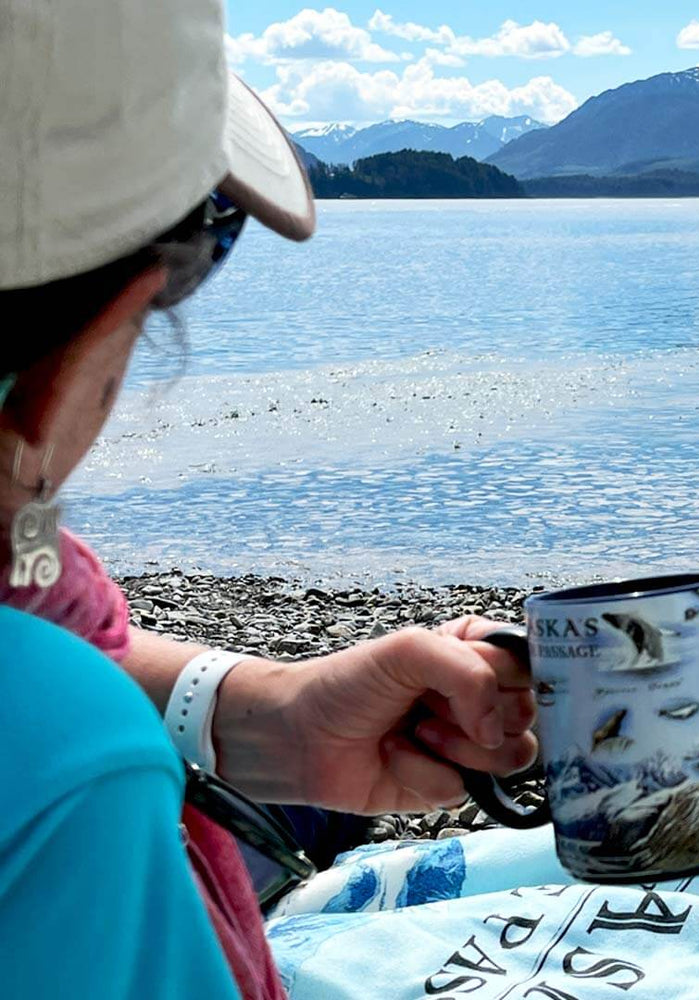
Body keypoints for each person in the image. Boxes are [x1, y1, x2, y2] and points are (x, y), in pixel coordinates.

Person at [0, 2, 536, 997]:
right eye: (212, 235)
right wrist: (92, 749)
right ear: (102, 329)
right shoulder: (57, 770)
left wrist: (263, 715)